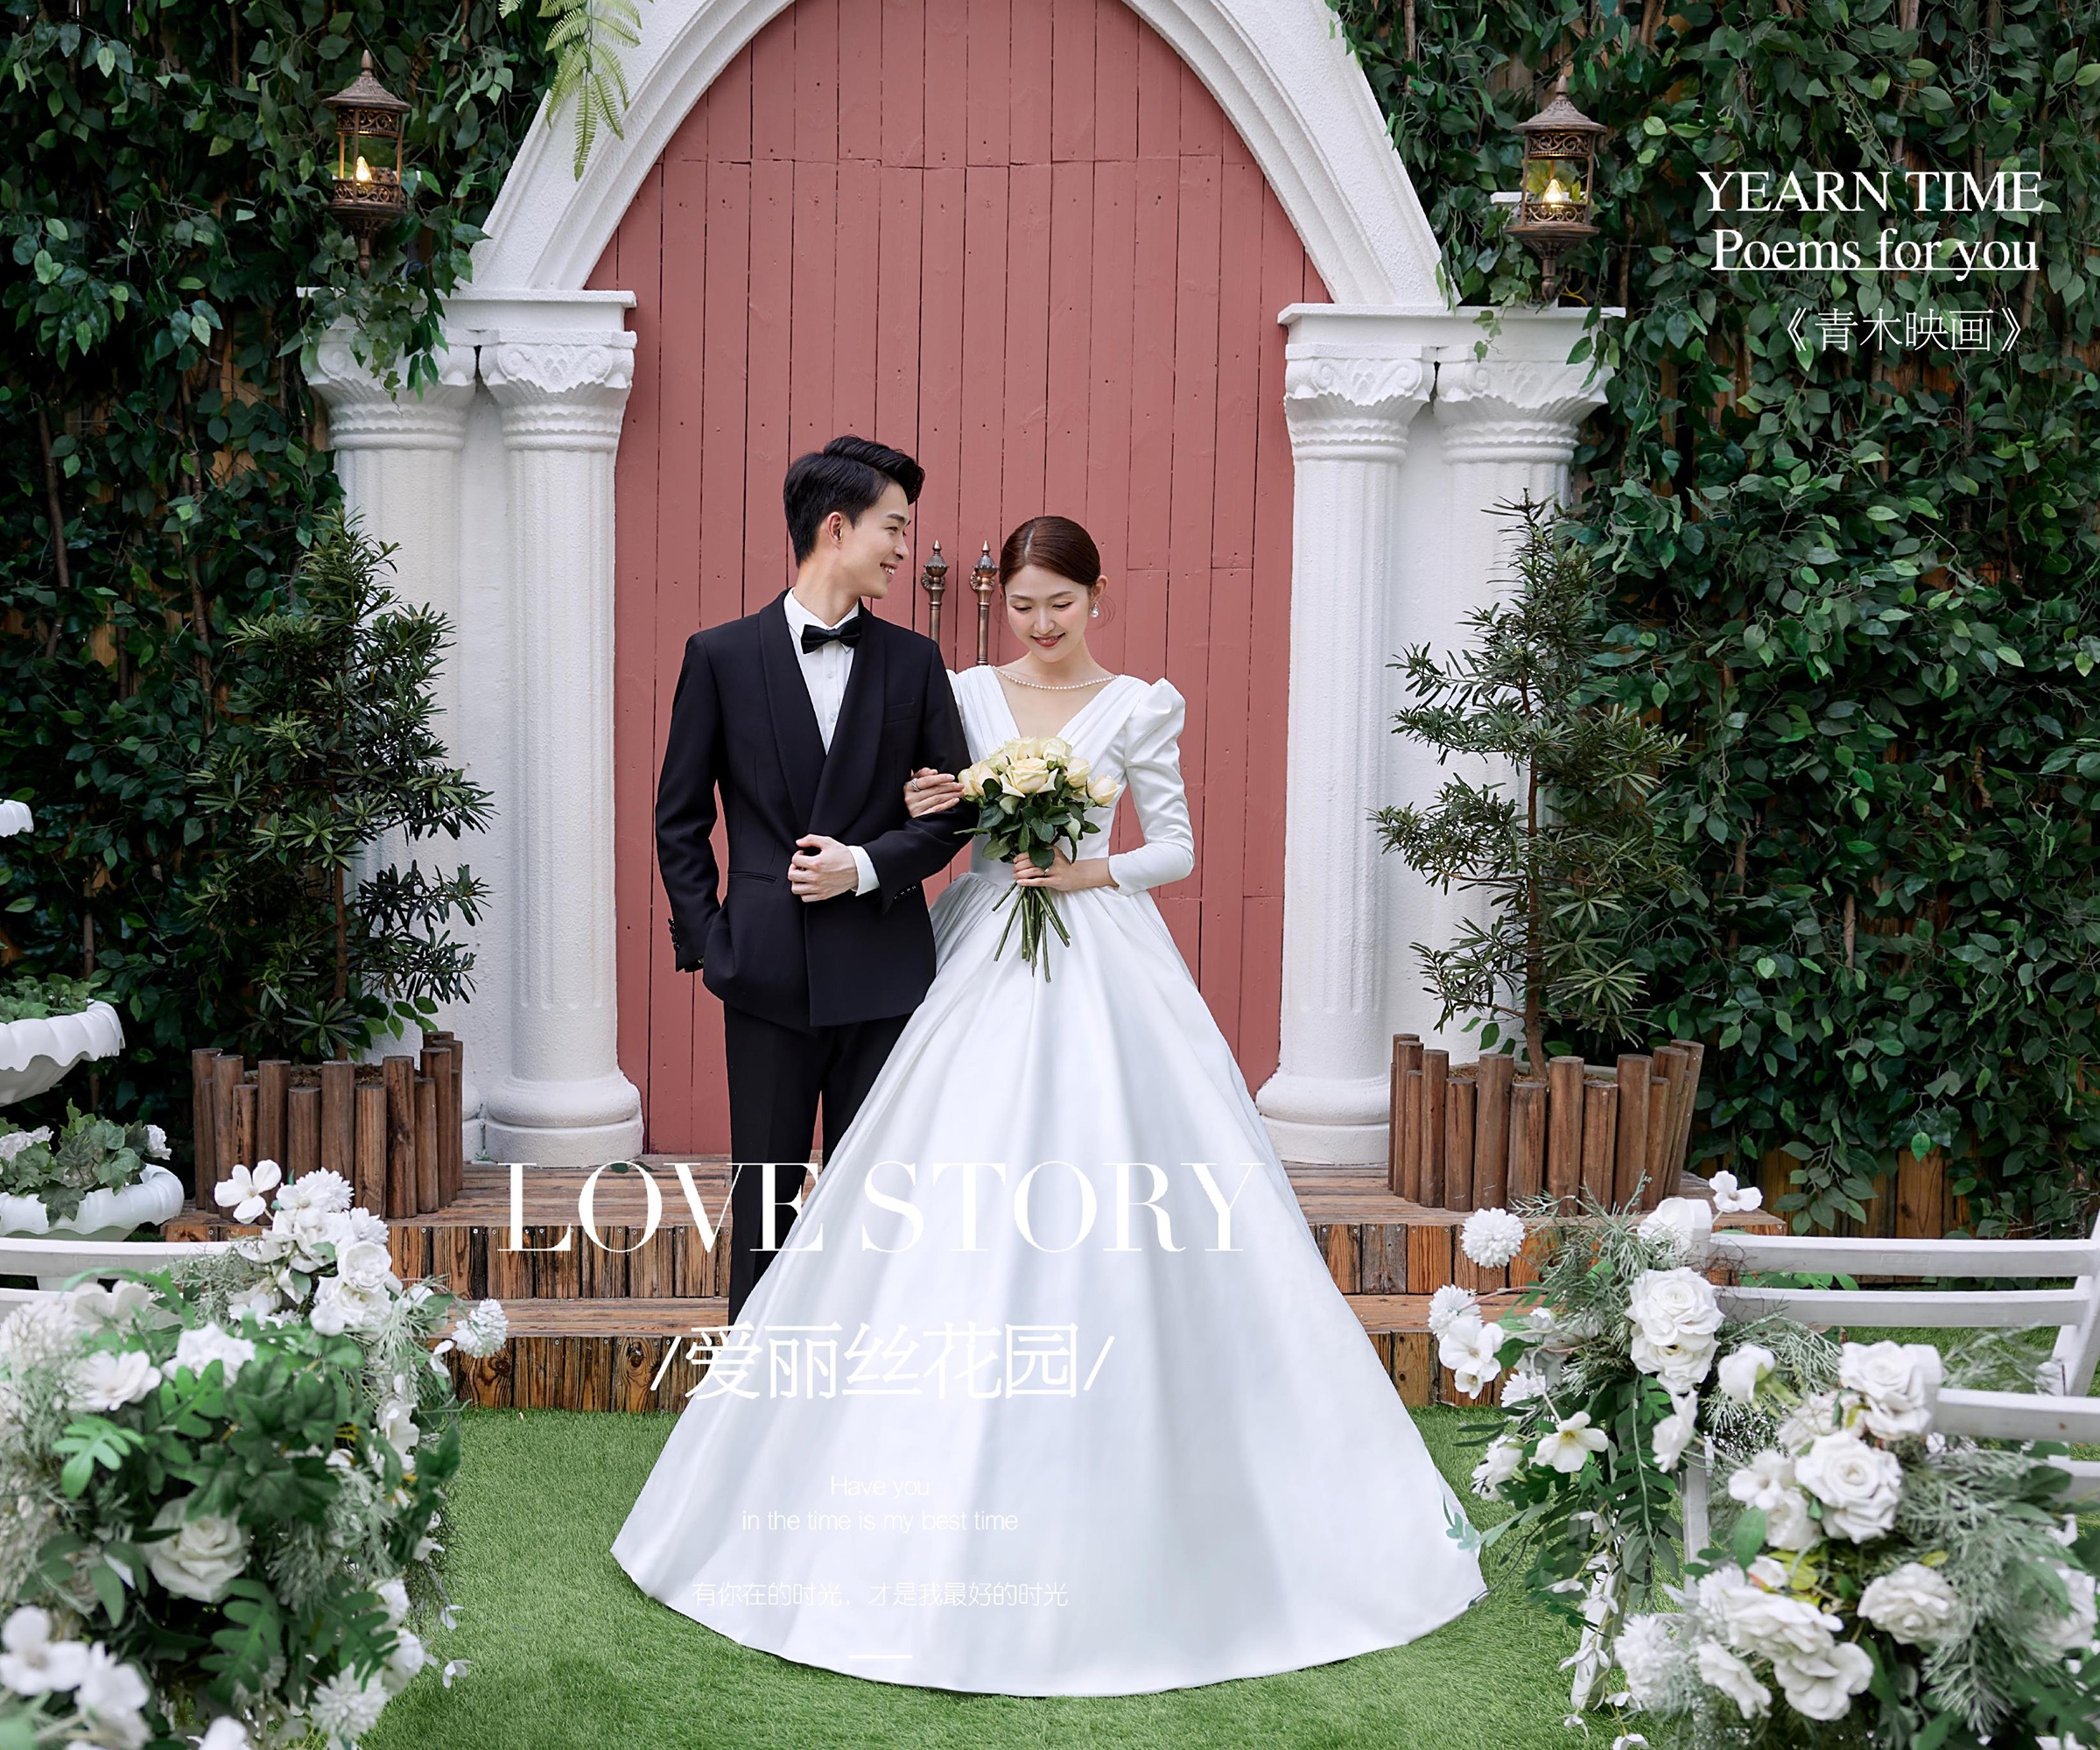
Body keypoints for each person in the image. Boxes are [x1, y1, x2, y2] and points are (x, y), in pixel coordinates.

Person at [614, 514, 1487, 1696]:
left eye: (1059, 605)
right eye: (1023, 604)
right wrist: (949, 805)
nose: (1039, 624)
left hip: (1100, 953)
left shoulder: (1140, 706)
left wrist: (1085, 868)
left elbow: (1176, 847)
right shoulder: (964, 690)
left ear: (1097, 596)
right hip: (975, 944)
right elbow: (935, 816)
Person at [651, 436, 975, 1325]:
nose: (904, 548)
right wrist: (713, 944)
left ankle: (869, 1378)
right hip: (764, 973)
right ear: (836, 527)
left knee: (878, 1205)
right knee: (763, 1202)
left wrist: (864, 867)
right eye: (893, 527)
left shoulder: (915, 662)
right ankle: (756, 1382)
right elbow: (680, 817)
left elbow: (954, 812)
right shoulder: (719, 655)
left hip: (884, 975)